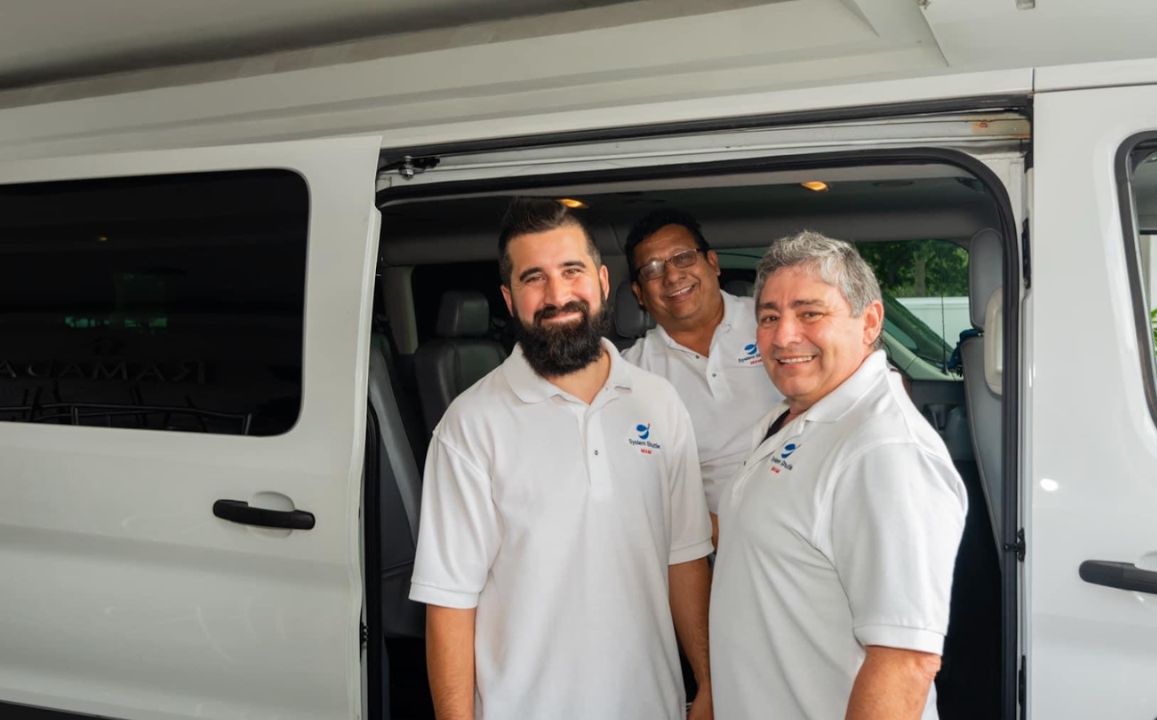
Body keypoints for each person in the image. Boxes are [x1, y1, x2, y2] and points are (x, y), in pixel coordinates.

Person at [409, 198, 714, 720]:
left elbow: (683, 557)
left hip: (648, 704)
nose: (556, 295)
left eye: (571, 271)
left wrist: (709, 680)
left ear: (599, 280)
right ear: (509, 298)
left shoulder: (657, 401)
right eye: (534, 278)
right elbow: (450, 604)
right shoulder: (469, 424)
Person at [709, 230, 967, 720]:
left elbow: (905, 660)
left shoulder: (885, 451)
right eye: (769, 317)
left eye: (810, 313)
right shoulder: (792, 418)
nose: (784, 335)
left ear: (869, 322)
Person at [621, 209, 782, 545]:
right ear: (639, 293)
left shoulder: (775, 322)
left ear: (712, 262)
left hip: (807, 514)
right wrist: (717, 533)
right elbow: (639, 484)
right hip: (715, 546)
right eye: (653, 269)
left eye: (683, 257)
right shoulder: (630, 374)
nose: (672, 276)